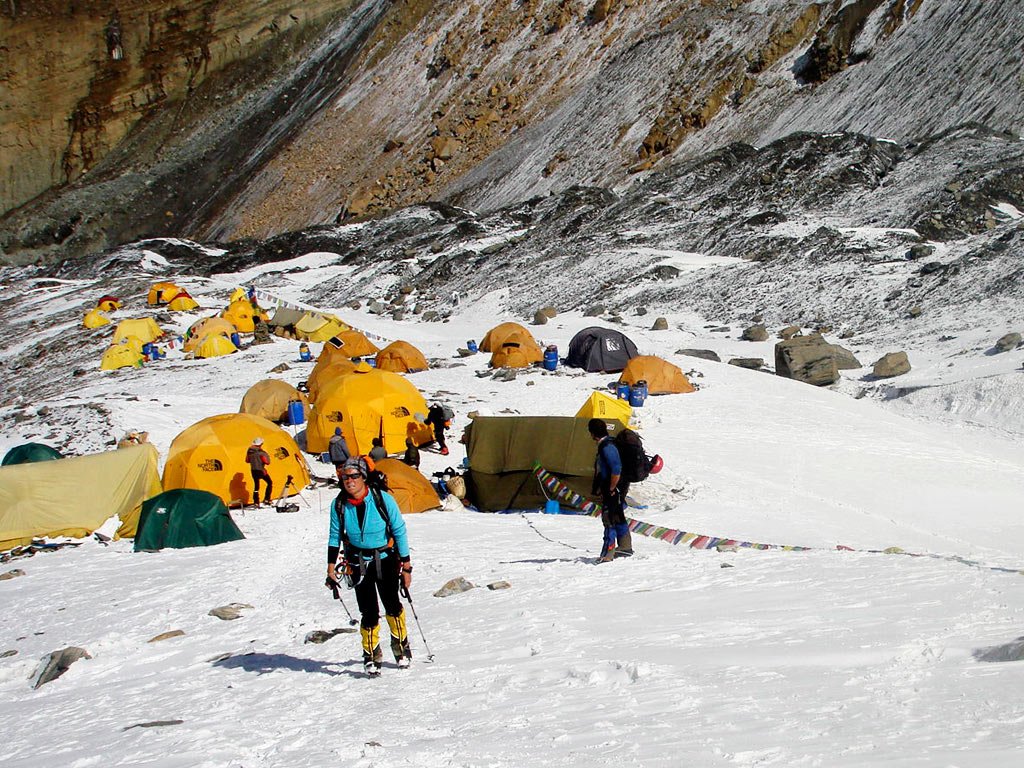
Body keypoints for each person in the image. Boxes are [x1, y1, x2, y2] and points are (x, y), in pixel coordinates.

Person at [327, 456, 413, 675]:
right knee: (368, 610)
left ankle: (401, 648)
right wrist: (330, 566)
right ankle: (371, 653)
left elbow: (399, 530)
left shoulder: (382, 499)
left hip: (385, 559)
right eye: (345, 477)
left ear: (363, 477)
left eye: (354, 476)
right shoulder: (338, 505)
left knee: (392, 604)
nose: (349, 481)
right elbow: (334, 536)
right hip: (357, 563)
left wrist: (406, 565)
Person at [588, 418, 632, 562]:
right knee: (618, 516)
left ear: (593, 433)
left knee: (609, 519)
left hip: (614, 489)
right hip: (617, 488)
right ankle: (625, 547)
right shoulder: (611, 442)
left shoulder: (607, 447)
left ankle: (608, 554)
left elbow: (616, 469)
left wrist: (611, 488)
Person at [246, 437, 273, 507]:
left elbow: (247, 460)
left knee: (256, 486)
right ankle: (267, 499)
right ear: (260, 444)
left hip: (253, 471)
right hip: (261, 470)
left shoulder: (249, 452)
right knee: (269, 482)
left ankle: (256, 502)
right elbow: (267, 462)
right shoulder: (261, 453)